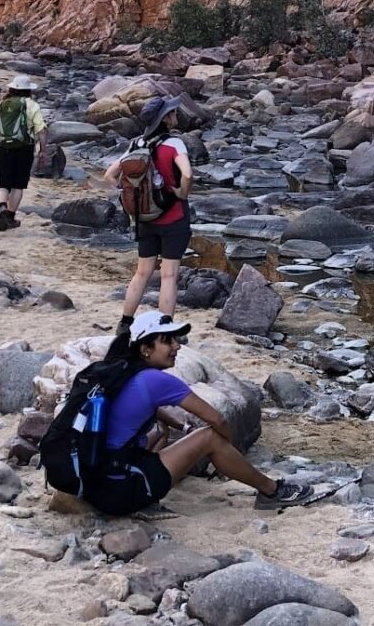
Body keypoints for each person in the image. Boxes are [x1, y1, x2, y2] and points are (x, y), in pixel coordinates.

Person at [84, 310, 316, 516]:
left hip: (96, 484)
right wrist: (230, 450)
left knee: (161, 432)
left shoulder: (120, 372)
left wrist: (183, 428)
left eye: (176, 339)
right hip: (120, 493)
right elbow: (216, 419)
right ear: (145, 349)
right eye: (167, 341)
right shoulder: (156, 380)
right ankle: (271, 491)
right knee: (210, 437)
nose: (177, 346)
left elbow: (149, 410)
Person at [100, 96, 194, 331]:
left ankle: (125, 322)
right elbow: (188, 174)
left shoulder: (137, 144)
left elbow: (109, 175)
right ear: (165, 119)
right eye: (172, 113)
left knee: (142, 273)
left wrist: (130, 196)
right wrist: (181, 193)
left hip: (144, 219)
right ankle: (165, 327)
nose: (175, 115)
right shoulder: (175, 144)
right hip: (173, 217)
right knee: (169, 276)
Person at [0, 74, 48, 231]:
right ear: (28, 90)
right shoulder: (32, 105)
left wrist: (4, 138)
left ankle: (2, 207)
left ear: (12, 88)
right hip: (25, 148)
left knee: (2, 183)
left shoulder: (3, 104)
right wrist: (43, 151)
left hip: (4, 148)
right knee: (17, 185)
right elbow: (41, 131)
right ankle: (10, 217)